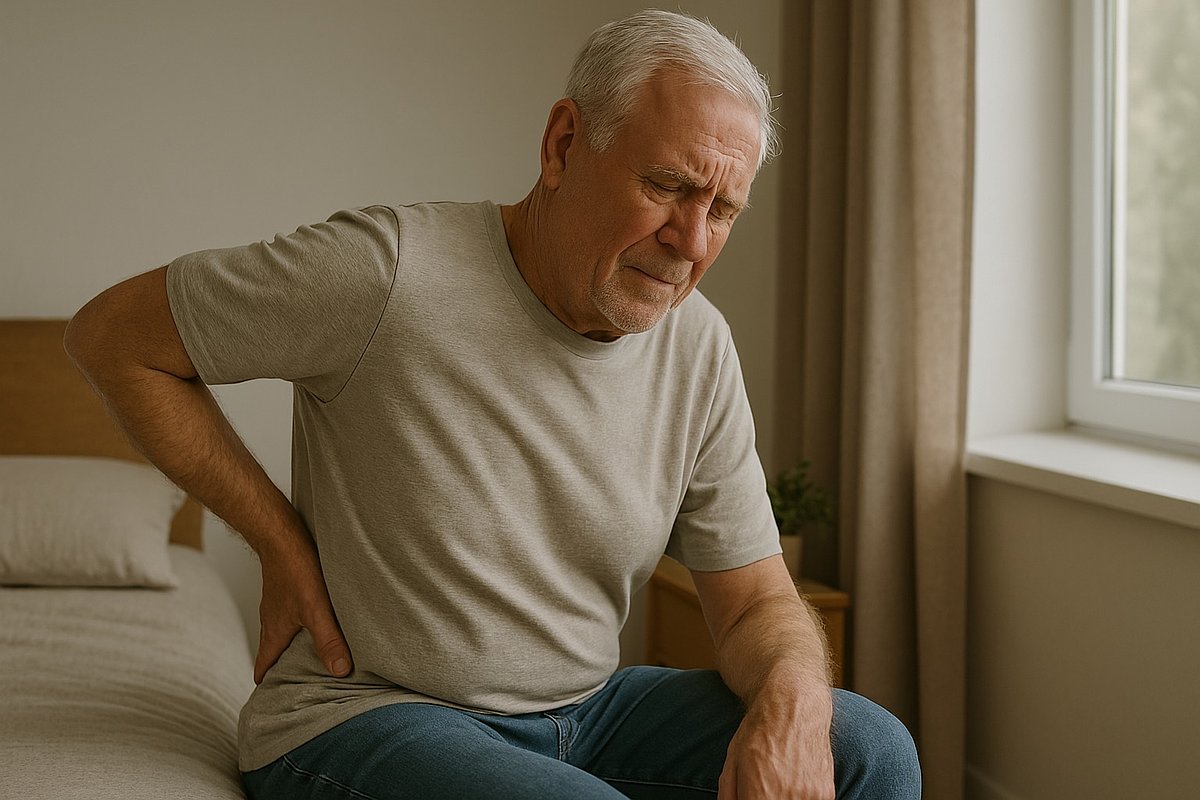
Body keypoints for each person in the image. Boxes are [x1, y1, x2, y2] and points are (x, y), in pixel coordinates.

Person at [65, 9, 920, 799]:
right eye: (666, 186)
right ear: (561, 144)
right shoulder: (387, 273)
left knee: (870, 750)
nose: (691, 244)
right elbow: (113, 337)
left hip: (588, 713)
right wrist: (278, 538)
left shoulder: (698, 346)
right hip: (368, 713)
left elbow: (756, 602)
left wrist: (795, 700)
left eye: (722, 209)